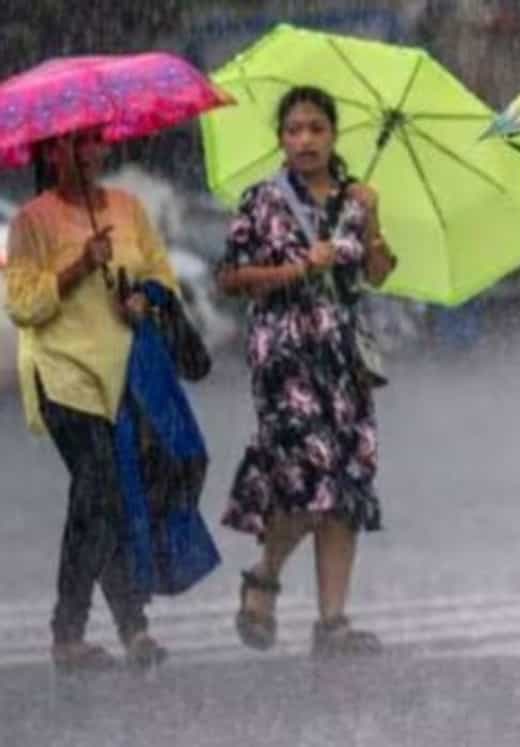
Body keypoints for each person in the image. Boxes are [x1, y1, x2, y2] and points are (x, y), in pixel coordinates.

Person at [218, 85, 397, 658]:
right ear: (281, 139)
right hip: (284, 355)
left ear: (333, 135)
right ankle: (264, 575)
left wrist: (373, 223)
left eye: (316, 128)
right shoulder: (262, 200)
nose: (305, 140)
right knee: (305, 476)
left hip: (343, 359)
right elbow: (232, 277)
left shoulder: (355, 196)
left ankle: (332, 622)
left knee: (345, 485)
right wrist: (296, 268)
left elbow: (379, 273)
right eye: (294, 130)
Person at [4, 128, 177, 672]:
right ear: (48, 153)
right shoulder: (31, 220)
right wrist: (79, 264)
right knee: (100, 488)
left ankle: (105, 630)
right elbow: (24, 305)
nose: (82, 154)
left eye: (91, 142)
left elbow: (161, 278)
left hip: (122, 376)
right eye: (67, 145)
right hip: (63, 378)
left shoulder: (128, 209)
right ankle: (95, 630)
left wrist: (142, 302)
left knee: (107, 501)